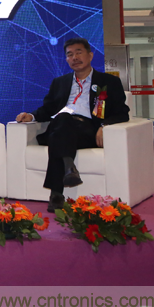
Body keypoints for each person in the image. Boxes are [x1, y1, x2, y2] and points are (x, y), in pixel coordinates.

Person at [16, 37, 129, 212]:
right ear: (66, 59)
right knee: (63, 118)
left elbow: (122, 112)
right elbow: (47, 109)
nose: (74, 57)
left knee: (60, 129)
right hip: (61, 125)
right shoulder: (59, 82)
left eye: (78, 52)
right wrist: (30, 116)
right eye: (70, 54)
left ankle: (57, 192)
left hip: (87, 131)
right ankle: (68, 167)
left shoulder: (109, 82)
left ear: (90, 55)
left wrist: (104, 125)